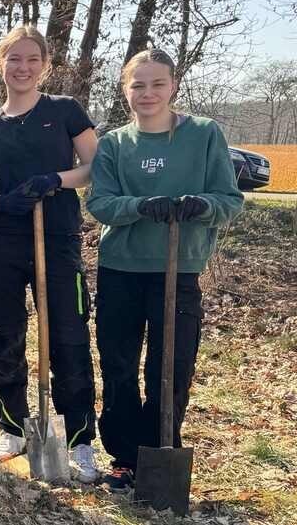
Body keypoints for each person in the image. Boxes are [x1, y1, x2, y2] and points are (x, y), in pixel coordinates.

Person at [87, 48, 243, 490]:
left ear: (173, 85)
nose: (148, 93)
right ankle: (122, 456)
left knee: (170, 366)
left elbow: (229, 201)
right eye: (138, 85)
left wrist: (203, 205)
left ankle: (159, 453)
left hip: (178, 272)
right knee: (118, 365)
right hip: (121, 269)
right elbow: (99, 203)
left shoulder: (204, 135)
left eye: (157, 84)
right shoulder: (114, 144)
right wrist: (140, 206)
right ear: (125, 90)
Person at [0, 25, 101, 481]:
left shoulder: (64, 111)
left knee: (67, 336)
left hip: (57, 237)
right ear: (0, 63)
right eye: (13, 59)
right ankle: (13, 427)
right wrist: (2, 202)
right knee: (2, 334)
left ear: (45, 65)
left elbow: (94, 165)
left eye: (31, 59)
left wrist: (57, 179)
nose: (22, 68)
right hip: (3, 241)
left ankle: (80, 439)